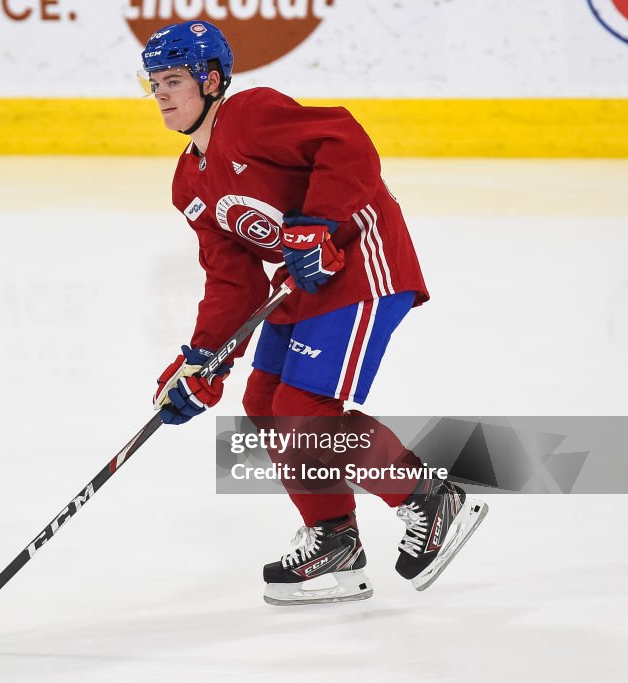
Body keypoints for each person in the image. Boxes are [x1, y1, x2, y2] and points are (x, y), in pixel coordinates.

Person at [143, 21, 488, 604]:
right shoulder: (188, 182)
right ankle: (336, 540)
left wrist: (318, 222)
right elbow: (232, 280)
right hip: (303, 284)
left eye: (174, 81)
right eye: (153, 84)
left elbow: (346, 141)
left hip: (361, 264)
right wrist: (203, 362)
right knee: (263, 404)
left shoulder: (249, 115)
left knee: (305, 410)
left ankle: (430, 497)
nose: (161, 96)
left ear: (211, 80)